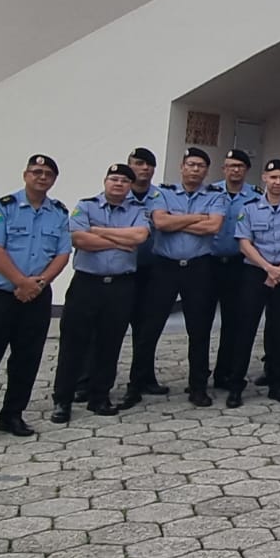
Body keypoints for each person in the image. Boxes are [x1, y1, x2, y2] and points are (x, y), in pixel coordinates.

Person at [0, 155, 71, 445]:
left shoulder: (59, 213)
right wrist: (21, 282)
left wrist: (41, 282)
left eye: (48, 173)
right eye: (36, 171)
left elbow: (63, 253)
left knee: (27, 358)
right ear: (25, 175)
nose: (42, 177)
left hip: (37, 295)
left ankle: (13, 414)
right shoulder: (3, 208)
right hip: (0, 295)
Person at [49, 164, 151, 423]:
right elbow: (79, 240)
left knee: (110, 342)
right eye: (114, 179)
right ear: (105, 181)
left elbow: (139, 237)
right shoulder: (86, 206)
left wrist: (98, 231)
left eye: (124, 181)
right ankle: (63, 399)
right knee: (73, 344)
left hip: (120, 286)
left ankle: (99, 396)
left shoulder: (138, 210)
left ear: (130, 186)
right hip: (87, 284)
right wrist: (120, 241)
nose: (118, 184)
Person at [128, 148, 226, 409]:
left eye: (200, 166)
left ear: (206, 171)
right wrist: (197, 218)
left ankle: (198, 387)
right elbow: (160, 223)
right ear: (182, 167)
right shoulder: (163, 193)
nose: (195, 169)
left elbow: (214, 226)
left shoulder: (215, 196)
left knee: (199, 330)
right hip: (164, 268)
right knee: (149, 329)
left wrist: (177, 220)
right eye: (190, 164)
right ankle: (135, 385)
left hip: (199, 268)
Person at [228, 159, 280, 406]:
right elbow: (244, 242)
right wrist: (268, 268)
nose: (277, 182)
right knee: (245, 330)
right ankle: (235, 386)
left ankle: (277, 384)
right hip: (256, 273)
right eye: (273, 177)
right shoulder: (250, 207)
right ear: (264, 177)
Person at [116, 148, 168, 402]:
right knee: (109, 327)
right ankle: (88, 381)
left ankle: (143, 378)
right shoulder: (118, 195)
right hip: (121, 270)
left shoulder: (162, 197)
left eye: (149, 165)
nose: (144, 169)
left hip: (153, 269)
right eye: (138, 163)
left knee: (148, 328)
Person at [211, 150, 259, 396]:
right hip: (208, 264)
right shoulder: (209, 193)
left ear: (246, 169)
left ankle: (226, 373)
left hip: (239, 265)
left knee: (233, 323)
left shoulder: (255, 197)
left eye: (240, 165)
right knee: (201, 324)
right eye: (230, 165)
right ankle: (197, 378)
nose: (235, 170)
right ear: (223, 169)